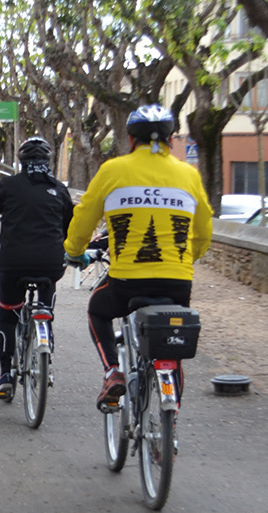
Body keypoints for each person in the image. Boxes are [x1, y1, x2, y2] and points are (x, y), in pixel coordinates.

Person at [63, 104, 213, 413]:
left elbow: (83, 219)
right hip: (177, 282)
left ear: (131, 140)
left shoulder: (113, 171)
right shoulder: (189, 175)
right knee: (173, 342)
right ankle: (171, 419)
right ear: (171, 140)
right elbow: (203, 233)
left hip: (126, 281)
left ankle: (112, 372)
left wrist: (75, 252)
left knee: (97, 309)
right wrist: (185, 259)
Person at [0, 137, 75, 399]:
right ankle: (45, 343)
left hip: (13, 264)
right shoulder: (59, 189)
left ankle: (6, 374)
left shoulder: (8, 185)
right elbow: (71, 227)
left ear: (22, 161)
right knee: (46, 306)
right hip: (51, 264)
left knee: (8, 316)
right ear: (47, 161)